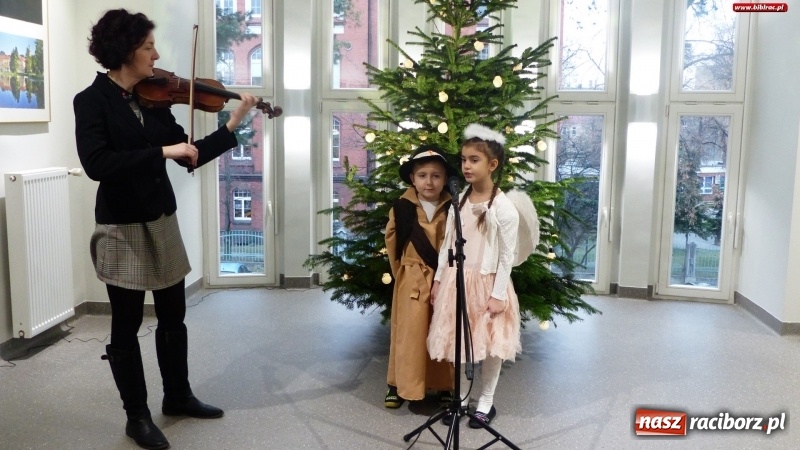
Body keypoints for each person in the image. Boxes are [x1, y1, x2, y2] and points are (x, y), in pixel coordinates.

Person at [73, 9, 258, 450]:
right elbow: (97, 164)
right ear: (125, 51)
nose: (156, 55)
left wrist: (233, 124)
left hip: (160, 218)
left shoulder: (153, 100)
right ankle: (136, 417)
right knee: (127, 323)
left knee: (174, 314)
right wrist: (161, 152)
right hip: (122, 225)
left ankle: (177, 396)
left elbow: (189, 153)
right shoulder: (91, 101)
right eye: (148, 47)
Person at [427, 123, 522, 428]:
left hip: (488, 284)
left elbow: (506, 256)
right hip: (458, 281)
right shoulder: (460, 200)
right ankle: (461, 399)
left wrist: (498, 295)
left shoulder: (504, 208)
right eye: (464, 159)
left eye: (474, 160)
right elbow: (447, 243)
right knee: (461, 340)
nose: (466, 166)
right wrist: (439, 278)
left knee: (491, 344)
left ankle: (486, 402)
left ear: (492, 165)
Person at [384, 145, 457, 408]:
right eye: (423, 175)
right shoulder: (402, 208)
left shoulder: (453, 208)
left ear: (445, 179)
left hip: (444, 279)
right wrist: (402, 276)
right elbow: (393, 245)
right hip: (411, 280)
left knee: (443, 329)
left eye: (436, 175)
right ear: (412, 179)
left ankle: (445, 383)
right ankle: (398, 383)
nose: (429, 182)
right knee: (408, 333)